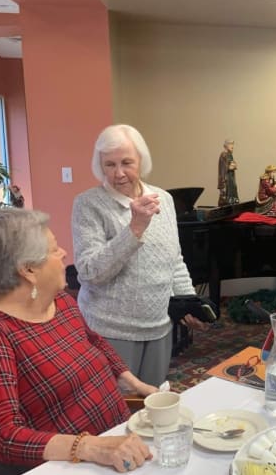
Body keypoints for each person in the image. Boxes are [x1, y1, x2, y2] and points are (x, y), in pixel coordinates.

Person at [0, 209, 157, 475]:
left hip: (117, 447)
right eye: (53, 249)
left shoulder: (59, 302)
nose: (63, 253)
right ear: (28, 270)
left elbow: (93, 341)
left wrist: (134, 382)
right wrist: (91, 447)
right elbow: (3, 436)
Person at [72, 124, 206, 386]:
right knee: (118, 411)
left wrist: (188, 300)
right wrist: (134, 228)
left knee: (151, 405)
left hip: (158, 326)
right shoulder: (88, 204)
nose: (119, 173)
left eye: (126, 163)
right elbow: (89, 273)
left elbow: (174, 259)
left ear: (141, 161)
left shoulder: (164, 200)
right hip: (110, 330)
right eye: (109, 165)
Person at [217, 139, 239, 206]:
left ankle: (233, 202)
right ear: (226, 145)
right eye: (230, 144)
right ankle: (227, 203)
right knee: (227, 191)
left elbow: (232, 163)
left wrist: (234, 165)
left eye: (232, 144)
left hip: (231, 177)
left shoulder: (230, 155)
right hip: (226, 177)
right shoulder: (223, 154)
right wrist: (229, 167)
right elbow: (222, 167)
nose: (232, 146)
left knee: (234, 188)